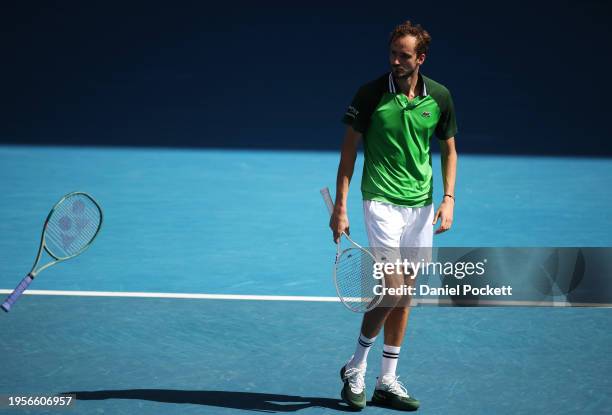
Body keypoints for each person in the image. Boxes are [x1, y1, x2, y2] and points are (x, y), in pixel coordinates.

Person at [329, 20, 458, 411]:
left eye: (405, 55)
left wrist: (448, 198)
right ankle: (355, 367)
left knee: (405, 297)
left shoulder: (439, 97)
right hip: (381, 201)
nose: (396, 61)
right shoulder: (369, 95)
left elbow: (449, 151)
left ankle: (387, 380)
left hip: (420, 205)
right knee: (395, 289)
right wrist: (340, 205)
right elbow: (349, 153)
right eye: (393, 54)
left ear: (421, 58)